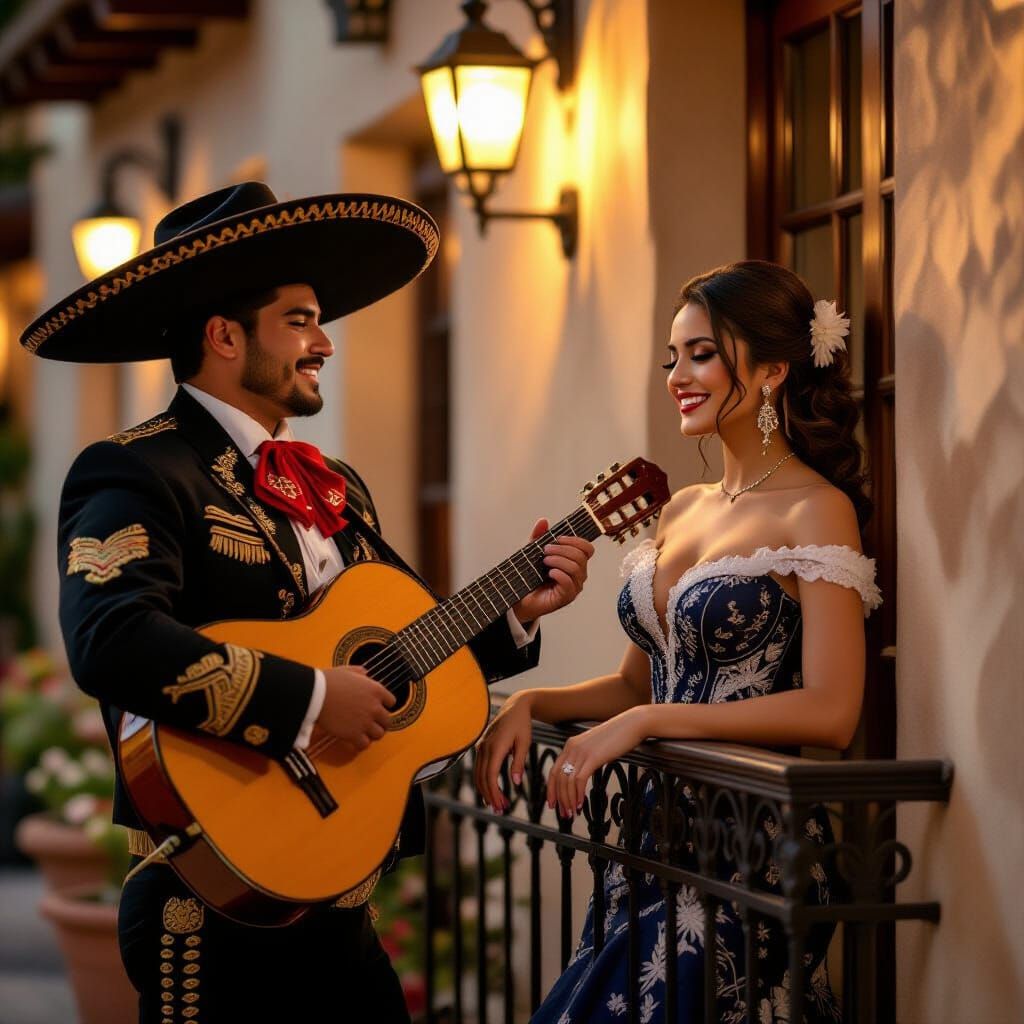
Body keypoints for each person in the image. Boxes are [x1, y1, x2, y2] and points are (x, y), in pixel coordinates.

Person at [23, 182, 595, 1023]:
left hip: (344, 901)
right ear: (224, 336)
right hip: (211, 902)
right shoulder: (137, 468)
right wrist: (315, 698)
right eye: (299, 321)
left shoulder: (337, 488)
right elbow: (110, 639)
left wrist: (518, 611)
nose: (324, 342)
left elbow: (394, 654)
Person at [474, 260, 881, 1023]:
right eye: (672, 357)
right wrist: (533, 701)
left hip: (751, 851)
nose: (678, 377)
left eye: (701, 355)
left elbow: (832, 711)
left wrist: (649, 722)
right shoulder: (682, 509)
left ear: (772, 371)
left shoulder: (816, 511)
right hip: (648, 842)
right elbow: (638, 683)